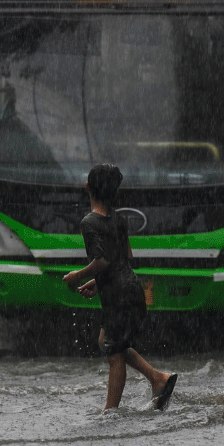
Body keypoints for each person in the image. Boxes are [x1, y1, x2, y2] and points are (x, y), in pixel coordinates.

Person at [63, 164, 178, 411]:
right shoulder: (118, 219)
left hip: (117, 295)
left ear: (87, 188)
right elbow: (124, 257)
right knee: (108, 342)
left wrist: (77, 276)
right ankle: (157, 378)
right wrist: (97, 281)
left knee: (114, 356)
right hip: (130, 287)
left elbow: (103, 259)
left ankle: (109, 412)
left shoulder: (89, 222)